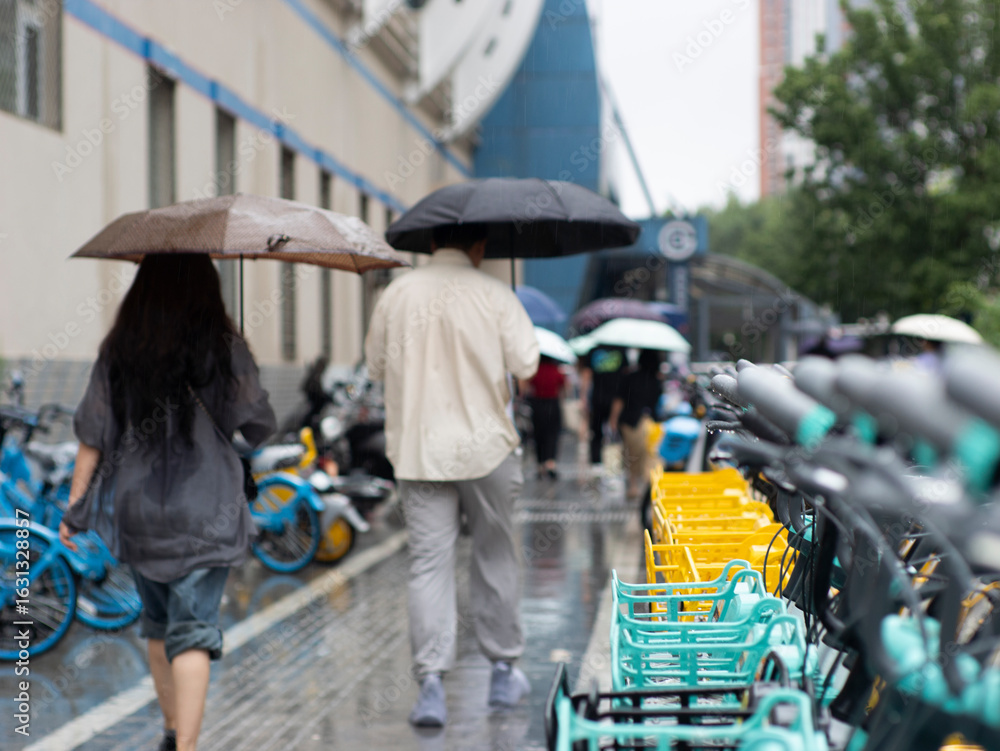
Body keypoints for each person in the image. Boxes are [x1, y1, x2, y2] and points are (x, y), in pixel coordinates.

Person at [59, 255, 276, 751]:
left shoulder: (121, 348)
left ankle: (172, 730)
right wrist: (241, 364)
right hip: (206, 508)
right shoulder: (221, 345)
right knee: (194, 632)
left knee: (157, 626)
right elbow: (257, 425)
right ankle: (188, 747)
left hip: (138, 508)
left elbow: (92, 434)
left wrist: (76, 506)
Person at [364, 224, 540, 727]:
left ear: (432, 242)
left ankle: (432, 687)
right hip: (487, 448)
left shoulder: (397, 294)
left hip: (419, 449)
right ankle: (503, 672)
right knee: (496, 555)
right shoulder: (496, 294)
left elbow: (375, 364)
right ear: (480, 246)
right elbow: (527, 362)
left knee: (428, 565)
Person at [608, 349, 664, 501]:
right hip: (651, 423)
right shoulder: (657, 380)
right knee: (649, 455)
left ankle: (633, 485)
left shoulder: (629, 377)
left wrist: (613, 421)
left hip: (629, 422)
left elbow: (619, 401)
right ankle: (647, 485)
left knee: (631, 455)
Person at [579, 344, 626, 472]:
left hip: (598, 398)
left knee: (596, 432)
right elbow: (625, 374)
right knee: (615, 432)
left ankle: (597, 464)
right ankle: (613, 465)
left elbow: (586, 374)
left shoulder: (594, 350)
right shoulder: (621, 350)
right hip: (616, 399)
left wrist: (583, 396)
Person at [524, 355, 567, 479]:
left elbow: (527, 386)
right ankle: (550, 463)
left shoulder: (535, 371)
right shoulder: (556, 370)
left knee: (538, 434)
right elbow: (563, 387)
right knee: (552, 434)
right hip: (552, 404)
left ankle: (540, 465)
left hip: (537, 404)